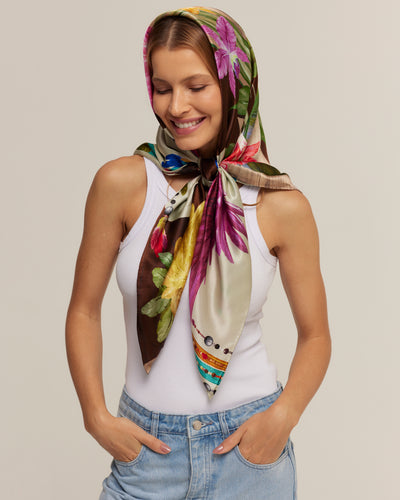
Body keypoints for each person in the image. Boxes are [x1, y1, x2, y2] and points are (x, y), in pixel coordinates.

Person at [65, 7, 331, 500]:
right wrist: (96, 417)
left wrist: (283, 417)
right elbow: (83, 310)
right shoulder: (122, 184)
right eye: (162, 88)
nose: (177, 106)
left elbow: (316, 336)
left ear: (234, 84)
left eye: (196, 86)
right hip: (148, 453)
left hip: (248, 455)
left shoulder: (281, 205)